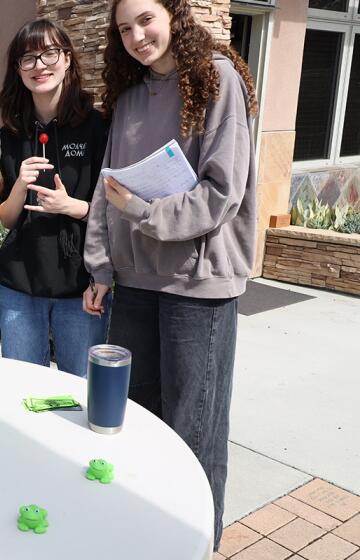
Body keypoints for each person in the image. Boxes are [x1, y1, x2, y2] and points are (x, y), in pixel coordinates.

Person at [82, 0, 258, 548]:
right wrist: (102, 267)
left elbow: (222, 192)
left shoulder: (217, 78)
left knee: (194, 429)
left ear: (174, 16)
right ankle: (150, 537)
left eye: (147, 20)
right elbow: (106, 192)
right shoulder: (130, 96)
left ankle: (195, 543)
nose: (137, 35)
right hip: (136, 282)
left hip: (198, 285)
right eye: (125, 28)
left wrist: (143, 212)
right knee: (140, 422)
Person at [0, 19, 109, 377]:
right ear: (18, 69)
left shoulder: (97, 127)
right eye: (28, 58)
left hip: (80, 286)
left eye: (49, 54)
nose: (39, 65)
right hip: (21, 285)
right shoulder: (10, 133)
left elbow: (114, 211)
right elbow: (6, 218)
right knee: (22, 390)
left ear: (68, 59)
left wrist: (71, 207)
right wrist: (18, 187)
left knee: (79, 393)